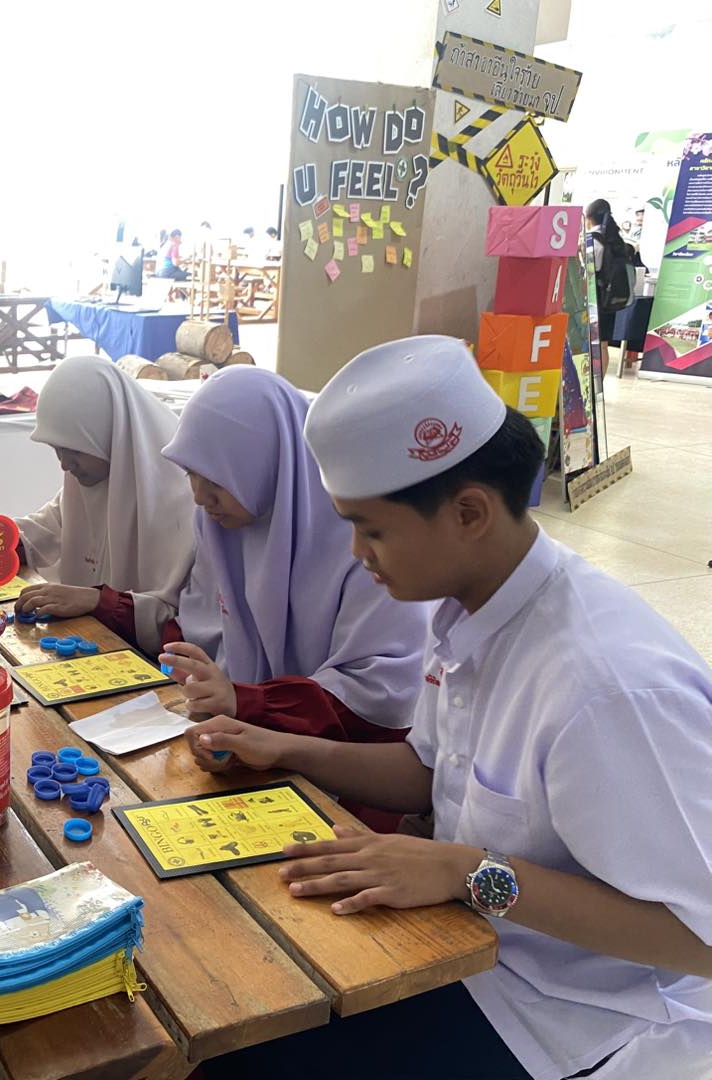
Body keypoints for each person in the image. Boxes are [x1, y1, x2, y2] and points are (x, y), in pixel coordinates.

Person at [202, 336, 712, 1080]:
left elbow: (697, 936)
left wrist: (468, 872)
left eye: (372, 529)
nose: (357, 552)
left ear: (469, 512)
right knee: (235, 1009)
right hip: (465, 952)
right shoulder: (470, 611)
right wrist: (286, 749)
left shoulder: (605, 687)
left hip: (575, 1021)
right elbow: (430, 770)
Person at [159, 365, 430, 832]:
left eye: (216, 480)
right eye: (191, 475)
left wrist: (250, 705)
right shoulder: (221, 527)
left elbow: (381, 693)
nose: (200, 497)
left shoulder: (360, 538)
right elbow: (204, 627)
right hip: (255, 754)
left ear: (266, 463)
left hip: (362, 783)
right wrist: (222, 701)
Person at [13, 356, 196, 655]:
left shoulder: (181, 497)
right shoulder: (89, 481)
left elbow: (182, 624)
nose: (64, 464)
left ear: (111, 434)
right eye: (56, 450)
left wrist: (99, 601)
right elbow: (42, 530)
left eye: (74, 451)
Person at [585, 198, 633, 344]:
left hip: (594, 298)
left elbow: (588, 271)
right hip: (609, 297)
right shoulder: (615, 239)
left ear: (589, 218)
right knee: (602, 343)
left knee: (591, 343)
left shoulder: (592, 240)